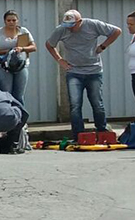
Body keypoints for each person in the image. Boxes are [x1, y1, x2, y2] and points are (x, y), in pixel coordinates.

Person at [45, 10, 122, 138]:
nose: (69, 28)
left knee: (97, 103)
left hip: (94, 70)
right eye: (67, 25)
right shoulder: (61, 30)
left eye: (72, 25)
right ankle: (78, 134)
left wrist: (103, 46)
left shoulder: (93, 25)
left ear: (80, 21)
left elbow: (116, 31)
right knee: (75, 105)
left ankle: (102, 131)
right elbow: (49, 44)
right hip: (74, 71)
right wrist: (60, 60)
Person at [0, 10, 37, 106]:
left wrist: (22, 48)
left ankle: (21, 118)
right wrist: (7, 51)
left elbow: (33, 47)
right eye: (9, 20)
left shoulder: (23, 31)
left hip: (21, 66)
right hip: (3, 66)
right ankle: (8, 117)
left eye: (13, 20)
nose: (11, 22)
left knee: (19, 95)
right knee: (6, 94)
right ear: (5, 21)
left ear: (17, 21)